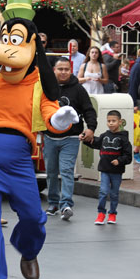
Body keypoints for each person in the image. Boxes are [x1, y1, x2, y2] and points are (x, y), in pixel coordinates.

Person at [45, 57, 97, 220]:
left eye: (66, 69)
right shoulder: (46, 88)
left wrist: (90, 128)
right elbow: (37, 109)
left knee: (66, 170)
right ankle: (53, 202)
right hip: (50, 137)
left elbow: (89, 110)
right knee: (51, 172)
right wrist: (39, 129)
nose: (63, 72)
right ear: (54, 70)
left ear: (71, 70)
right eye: (60, 69)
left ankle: (66, 204)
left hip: (72, 137)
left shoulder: (78, 89)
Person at [82, 110, 132, 225]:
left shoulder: (123, 138)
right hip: (104, 169)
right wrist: (85, 139)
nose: (110, 123)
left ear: (120, 122)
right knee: (103, 192)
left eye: (113, 121)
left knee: (114, 194)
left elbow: (128, 156)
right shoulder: (104, 136)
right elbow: (95, 143)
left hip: (116, 172)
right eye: (108, 121)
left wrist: (119, 161)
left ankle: (112, 213)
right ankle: (101, 213)